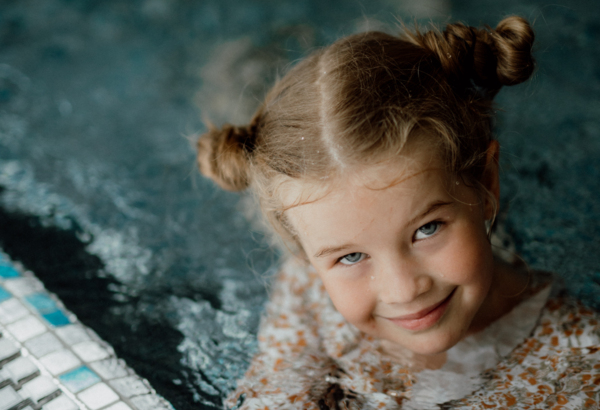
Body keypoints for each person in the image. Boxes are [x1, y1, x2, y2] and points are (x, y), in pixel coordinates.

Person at [196, 16, 600, 409]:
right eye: (351, 256)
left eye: (427, 229)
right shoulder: (309, 286)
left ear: (486, 180)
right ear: (304, 252)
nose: (403, 289)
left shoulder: (580, 357)